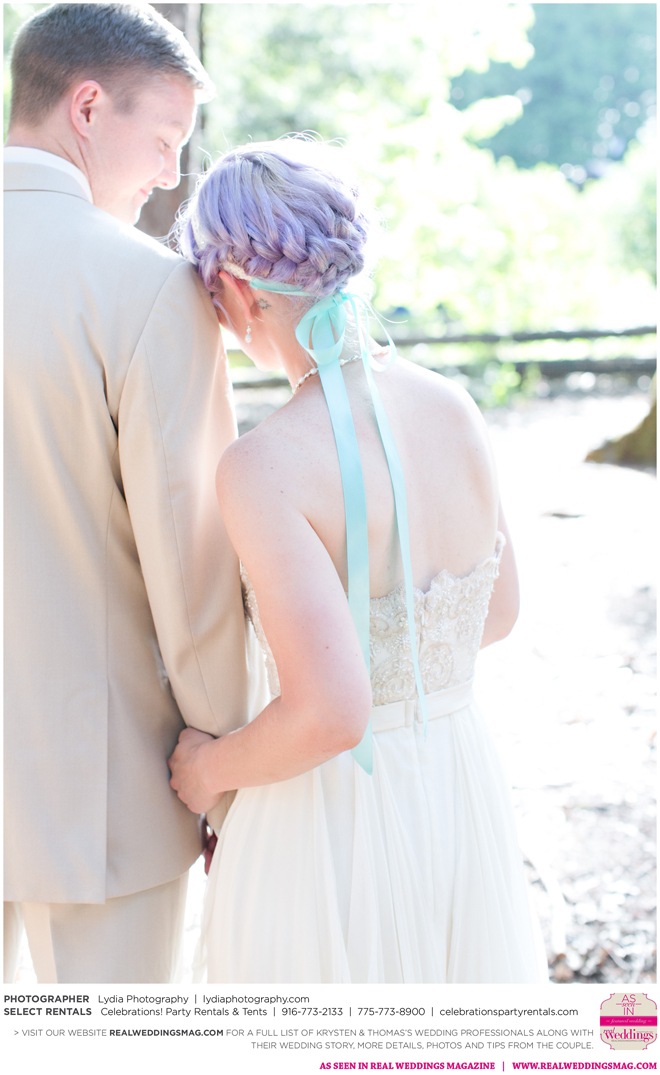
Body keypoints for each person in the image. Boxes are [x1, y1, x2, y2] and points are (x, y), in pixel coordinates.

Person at [168, 139, 548, 983]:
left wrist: (206, 770)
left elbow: (332, 714)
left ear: (236, 287)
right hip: (456, 780)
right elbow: (498, 611)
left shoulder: (264, 464)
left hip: (333, 810)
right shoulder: (453, 405)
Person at [4, 3, 253, 984]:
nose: (172, 174)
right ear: (87, 107)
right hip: (95, 788)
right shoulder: (145, 288)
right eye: (164, 140)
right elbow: (192, 569)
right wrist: (225, 761)